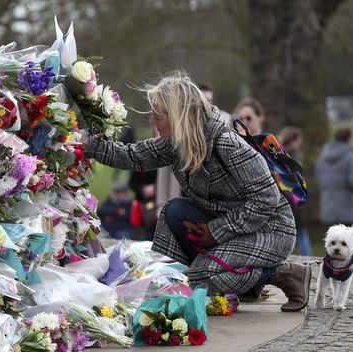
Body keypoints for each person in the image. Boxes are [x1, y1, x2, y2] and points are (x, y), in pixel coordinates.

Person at [83, 71, 309, 312]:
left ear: (177, 117)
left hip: (270, 229)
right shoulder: (176, 143)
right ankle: (219, 278)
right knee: (173, 211)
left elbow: (266, 199)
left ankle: (281, 273)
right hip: (232, 223)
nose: (152, 121)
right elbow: (134, 156)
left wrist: (217, 231)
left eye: (158, 115)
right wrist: (87, 145)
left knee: (200, 279)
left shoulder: (226, 144)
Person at [315, 126, 353, 227]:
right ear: (349, 138)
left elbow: (318, 176)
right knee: (349, 241)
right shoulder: (350, 157)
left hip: (328, 207)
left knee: (334, 240)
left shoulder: (323, 157)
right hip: (346, 207)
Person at [277, 126, 312, 256]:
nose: (300, 144)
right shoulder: (289, 158)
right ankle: (306, 256)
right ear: (293, 141)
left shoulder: (278, 154)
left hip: (287, 200)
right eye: (299, 141)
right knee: (301, 232)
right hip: (290, 201)